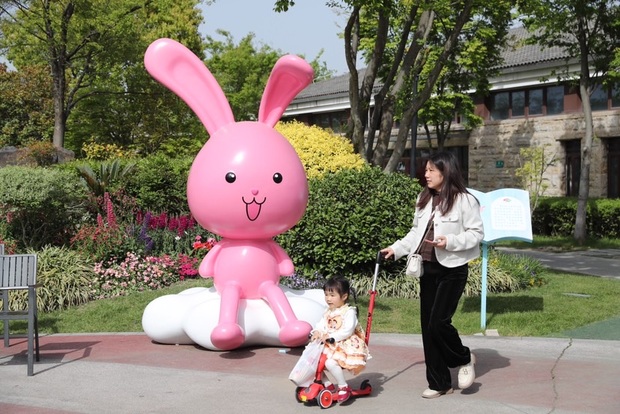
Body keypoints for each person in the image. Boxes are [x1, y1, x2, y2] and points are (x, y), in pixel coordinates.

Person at [380, 151, 484, 399]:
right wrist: (395, 249)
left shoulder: (465, 200)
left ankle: (464, 357)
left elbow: (476, 233)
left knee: (438, 322)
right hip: (427, 268)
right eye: (425, 170)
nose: (425, 175)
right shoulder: (424, 198)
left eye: (430, 170)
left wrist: (450, 241)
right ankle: (439, 383)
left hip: (453, 269)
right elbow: (415, 233)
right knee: (428, 327)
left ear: (445, 171)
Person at [310, 277, 370, 402]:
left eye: (332, 295)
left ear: (344, 297)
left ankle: (343, 386)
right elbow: (321, 324)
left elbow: (347, 330)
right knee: (313, 361)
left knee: (329, 363)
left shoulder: (349, 312)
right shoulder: (328, 311)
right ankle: (328, 385)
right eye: (326, 295)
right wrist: (316, 332)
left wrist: (332, 337)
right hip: (328, 344)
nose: (328, 298)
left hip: (344, 344)